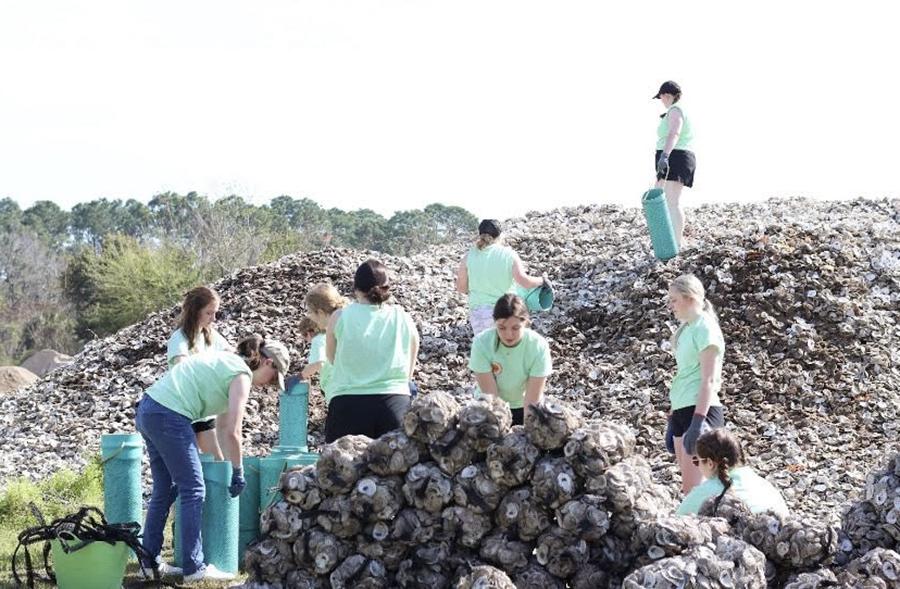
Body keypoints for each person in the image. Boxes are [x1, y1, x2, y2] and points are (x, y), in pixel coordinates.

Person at [136, 335, 289, 583]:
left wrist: (225, 464)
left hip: (149, 408)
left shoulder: (227, 362)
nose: (269, 385)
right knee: (194, 489)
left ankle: (148, 561)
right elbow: (233, 432)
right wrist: (238, 471)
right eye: (273, 378)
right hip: (169, 415)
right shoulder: (242, 375)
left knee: (166, 489)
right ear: (267, 362)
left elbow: (221, 428)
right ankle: (194, 568)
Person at [325, 259, 419, 442]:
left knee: (342, 467)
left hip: (348, 405)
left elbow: (331, 357)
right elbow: (413, 349)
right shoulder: (401, 316)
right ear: (386, 288)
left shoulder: (340, 317)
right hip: (394, 405)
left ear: (356, 289)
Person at [665, 273, 726, 494]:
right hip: (684, 409)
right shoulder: (687, 329)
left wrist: (698, 422)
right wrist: (674, 414)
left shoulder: (705, 327)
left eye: (674, 300)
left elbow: (708, 379)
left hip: (700, 410)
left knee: (696, 489)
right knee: (687, 488)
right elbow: (686, 373)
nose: (671, 305)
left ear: (690, 298)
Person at [167, 286, 233, 460]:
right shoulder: (179, 338)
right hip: (183, 412)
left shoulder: (211, 335)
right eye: (209, 313)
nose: (214, 318)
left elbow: (231, 356)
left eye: (215, 313)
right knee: (192, 465)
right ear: (195, 312)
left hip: (204, 412)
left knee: (217, 462)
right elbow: (182, 369)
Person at [468, 294, 552, 426]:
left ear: (525, 322)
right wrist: (500, 428)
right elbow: (491, 396)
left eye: (515, 328)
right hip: (489, 406)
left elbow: (532, 400)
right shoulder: (481, 343)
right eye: (501, 328)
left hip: (523, 405)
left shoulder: (538, 346)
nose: (508, 334)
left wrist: (526, 433)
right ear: (494, 323)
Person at [456, 219, 548, 335]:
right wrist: (542, 280)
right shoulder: (508, 254)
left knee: (487, 351)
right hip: (505, 312)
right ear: (500, 236)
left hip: (479, 315)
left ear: (480, 235)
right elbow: (524, 281)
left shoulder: (469, 256)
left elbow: (461, 288)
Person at [677, 428, 789, 516]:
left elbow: (677, 522)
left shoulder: (703, 493)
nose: (697, 466)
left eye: (697, 461)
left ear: (710, 463)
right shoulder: (763, 485)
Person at [653, 80, 696, 249]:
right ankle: (667, 240)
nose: (661, 101)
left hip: (676, 156)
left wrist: (665, 155)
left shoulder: (675, 110)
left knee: (672, 202)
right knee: (659, 197)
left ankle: (677, 243)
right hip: (672, 156)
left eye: (661, 97)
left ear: (666, 95)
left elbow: (674, 132)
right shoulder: (674, 110)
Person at [303, 283, 348, 406]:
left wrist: (299, 377)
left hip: (341, 395)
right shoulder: (348, 322)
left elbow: (321, 362)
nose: (310, 317)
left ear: (321, 312)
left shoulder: (326, 336)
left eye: (310, 312)